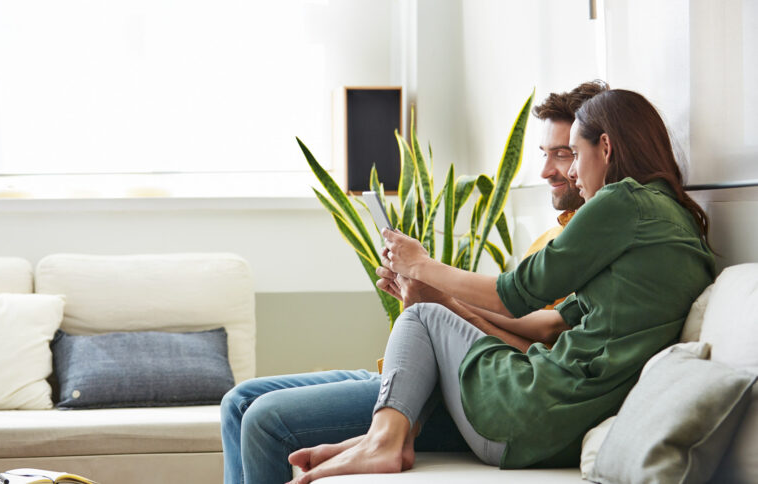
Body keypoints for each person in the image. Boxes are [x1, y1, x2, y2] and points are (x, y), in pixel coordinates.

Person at [287, 89, 716, 484]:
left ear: (605, 147)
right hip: (565, 425)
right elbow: (548, 325)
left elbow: (514, 295)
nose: (571, 172)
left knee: (420, 317)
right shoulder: (674, 222)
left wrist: (421, 265)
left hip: (535, 413)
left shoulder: (623, 201)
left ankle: (382, 441)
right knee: (430, 310)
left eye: (573, 155)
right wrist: (442, 297)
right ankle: (384, 439)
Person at [219, 80, 608, 484]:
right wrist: (426, 298)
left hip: (469, 388)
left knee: (264, 419)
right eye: (546, 154)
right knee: (237, 401)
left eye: (564, 154)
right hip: (425, 367)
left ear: (601, 151)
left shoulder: (590, 252)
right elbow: (509, 322)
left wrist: (439, 302)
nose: (547, 170)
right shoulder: (551, 240)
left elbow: (531, 359)